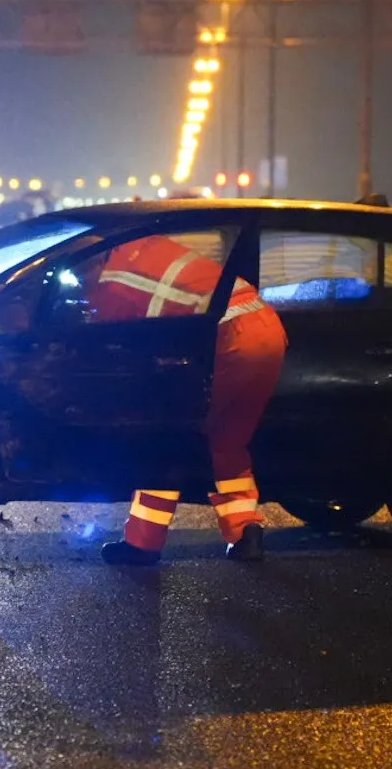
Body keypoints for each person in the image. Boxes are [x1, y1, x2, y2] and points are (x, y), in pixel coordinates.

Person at [95, 232, 288, 566]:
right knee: (225, 441)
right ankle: (245, 531)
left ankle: (143, 543)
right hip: (268, 330)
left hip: (229, 338)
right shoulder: (148, 248)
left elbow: (111, 345)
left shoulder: (114, 282)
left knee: (166, 439)